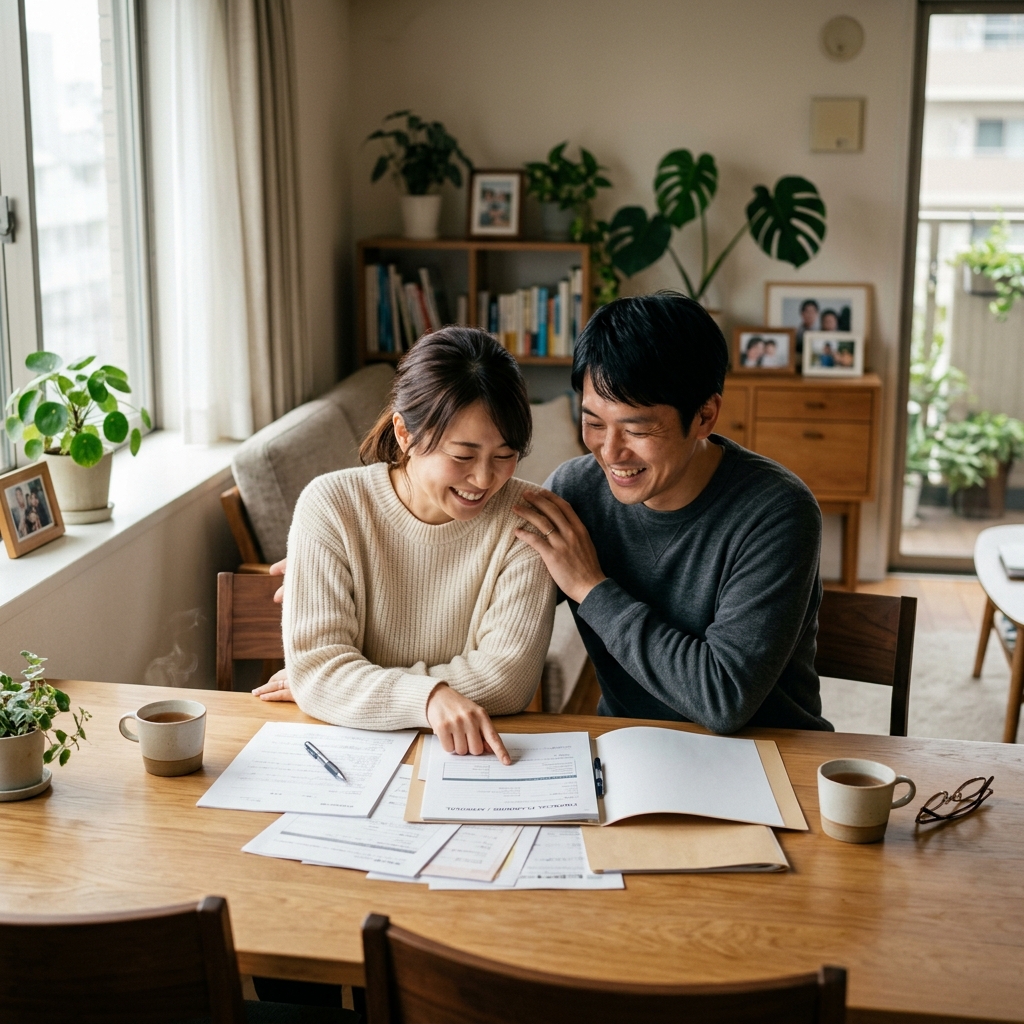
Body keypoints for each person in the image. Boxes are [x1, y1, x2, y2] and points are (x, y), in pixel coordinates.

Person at [512, 293, 831, 734]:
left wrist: (590, 587)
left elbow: (723, 697)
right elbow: (492, 600)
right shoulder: (575, 491)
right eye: (594, 423)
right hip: (630, 747)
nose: (610, 452)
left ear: (704, 416)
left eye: (637, 429)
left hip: (765, 750)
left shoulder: (777, 512)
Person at [254, 327, 556, 764]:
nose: (484, 478)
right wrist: (429, 698)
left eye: (505, 455)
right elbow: (319, 672)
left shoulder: (527, 519)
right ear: (404, 433)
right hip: (351, 754)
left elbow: (506, 682)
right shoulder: (331, 506)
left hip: (470, 759)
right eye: (463, 456)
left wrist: (350, 687)